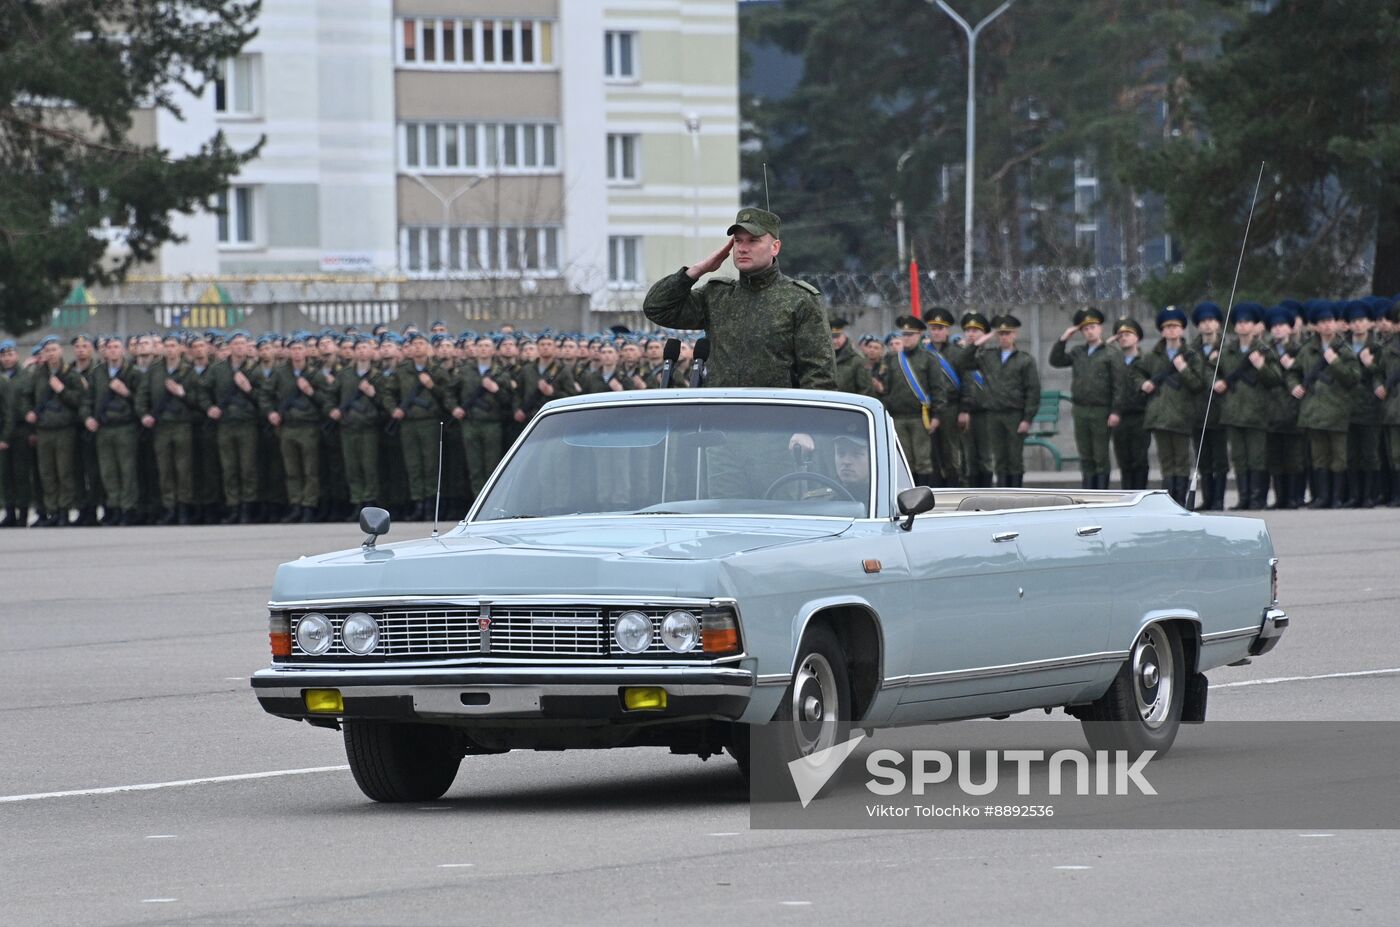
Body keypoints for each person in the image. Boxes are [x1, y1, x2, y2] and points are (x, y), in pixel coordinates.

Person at [641, 207, 837, 390]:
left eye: (753, 241)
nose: (742, 248)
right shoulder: (717, 295)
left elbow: (819, 375)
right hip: (722, 410)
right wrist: (697, 271)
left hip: (775, 411)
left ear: (775, 247)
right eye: (738, 241)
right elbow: (657, 309)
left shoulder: (800, 299)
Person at [1285, 303, 1360, 508]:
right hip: (1313, 411)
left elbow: (1354, 378)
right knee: (1319, 457)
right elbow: (1293, 372)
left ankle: (1336, 498)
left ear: (1336, 323)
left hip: (1337, 411)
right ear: (1316, 326)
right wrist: (1294, 386)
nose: (1327, 325)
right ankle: (1322, 497)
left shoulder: (1344, 350)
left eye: (1330, 321)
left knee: (1339, 457)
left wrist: (1335, 362)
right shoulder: (1307, 350)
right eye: (1322, 322)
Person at [1214, 302, 1281, 510]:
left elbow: (1275, 378)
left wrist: (1261, 366)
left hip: (1256, 412)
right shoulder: (1227, 351)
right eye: (1239, 322)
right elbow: (1211, 371)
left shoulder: (1265, 351)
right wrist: (1216, 382)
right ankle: (1244, 498)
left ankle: (1257, 497)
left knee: (1256, 458)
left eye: (1247, 322)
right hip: (1233, 411)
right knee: (1239, 458)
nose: (1243, 326)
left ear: (1255, 325)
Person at [1141, 307, 1206, 506]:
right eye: (1167, 327)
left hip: (1181, 415)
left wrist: (1183, 368)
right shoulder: (1153, 356)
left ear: (1182, 330)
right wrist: (1143, 383)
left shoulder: (1191, 356)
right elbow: (1137, 372)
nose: (1171, 330)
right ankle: (1169, 500)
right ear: (1162, 331)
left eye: (1175, 326)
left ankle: (1180, 499)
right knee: (1166, 462)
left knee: (1182, 461)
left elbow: (1198, 384)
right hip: (1159, 415)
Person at [136, 333, 202, 525]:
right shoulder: (155, 370)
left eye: (174, 346)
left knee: (183, 468)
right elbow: (142, 395)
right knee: (164, 469)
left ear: (180, 348)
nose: (170, 349)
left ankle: (183, 508)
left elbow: (199, 399)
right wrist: (144, 414)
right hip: (162, 425)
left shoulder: (189, 370)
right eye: (168, 346)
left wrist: (182, 393)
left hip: (182, 424)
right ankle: (169, 507)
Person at [1049, 306, 1117, 489]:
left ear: (1100, 328)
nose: (1089, 331)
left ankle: (1101, 494)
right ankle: (1088, 492)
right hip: (1080, 409)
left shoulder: (1111, 353)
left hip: (1101, 410)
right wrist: (1064, 339)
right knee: (1085, 455)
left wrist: (1116, 411)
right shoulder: (1078, 352)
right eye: (1085, 329)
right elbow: (1056, 361)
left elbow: (1118, 384)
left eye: (1092, 327)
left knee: (1100, 455)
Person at [969, 314, 1040, 487]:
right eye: (1000, 334)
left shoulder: (1024, 359)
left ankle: (1016, 492)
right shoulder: (988, 357)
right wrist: (980, 341)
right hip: (994, 413)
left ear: (1015, 334)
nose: (1004, 337)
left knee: (1014, 458)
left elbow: (1033, 390)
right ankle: (1002, 491)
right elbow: (963, 361)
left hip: (1014, 414)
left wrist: (1027, 418)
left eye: (1007, 333)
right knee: (999, 458)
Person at [82, 335, 143, 525]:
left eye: (117, 347)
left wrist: (126, 393)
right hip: (104, 427)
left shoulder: (133, 373)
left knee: (127, 470)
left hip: (125, 427)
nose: (113, 350)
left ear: (123, 350)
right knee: (108, 471)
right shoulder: (97, 373)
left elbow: (142, 401)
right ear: (105, 352)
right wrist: (87, 417)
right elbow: (87, 400)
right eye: (110, 348)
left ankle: (128, 509)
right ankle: (114, 507)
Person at [881, 314, 945, 486]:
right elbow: (887, 389)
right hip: (898, 417)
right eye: (904, 334)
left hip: (920, 417)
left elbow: (937, 388)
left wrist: (937, 415)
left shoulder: (928, 358)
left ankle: (922, 492)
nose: (906, 338)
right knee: (904, 460)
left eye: (910, 335)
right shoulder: (893, 359)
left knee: (923, 461)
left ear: (919, 335)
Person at [921, 306, 974, 486]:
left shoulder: (957, 353)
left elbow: (967, 382)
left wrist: (964, 409)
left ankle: (953, 485)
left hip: (951, 407)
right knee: (931, 451)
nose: (936, 332)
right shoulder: (924, 353)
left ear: (947, 330)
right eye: (933, 328)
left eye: (940, 328)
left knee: (951, 450)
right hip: (929, 408)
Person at [1107, 317, 1151, 490]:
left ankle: (1140, 494)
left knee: (1139, 459)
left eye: (1128, 334)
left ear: (1137, 337)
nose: (1124, 338)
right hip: (1120, 415)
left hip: (1141, 415)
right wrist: (1107, 345)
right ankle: (1127, 494)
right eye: (1120, 335)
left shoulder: (1146, 360)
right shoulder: (1113, 360)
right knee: (1124, 460)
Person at [830, 317, 875, 397]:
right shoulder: (825, 359)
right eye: (832, 337)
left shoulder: (857, 361)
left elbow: (866, 390)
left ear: (845, 336)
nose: (834, 341)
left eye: (837, 337)